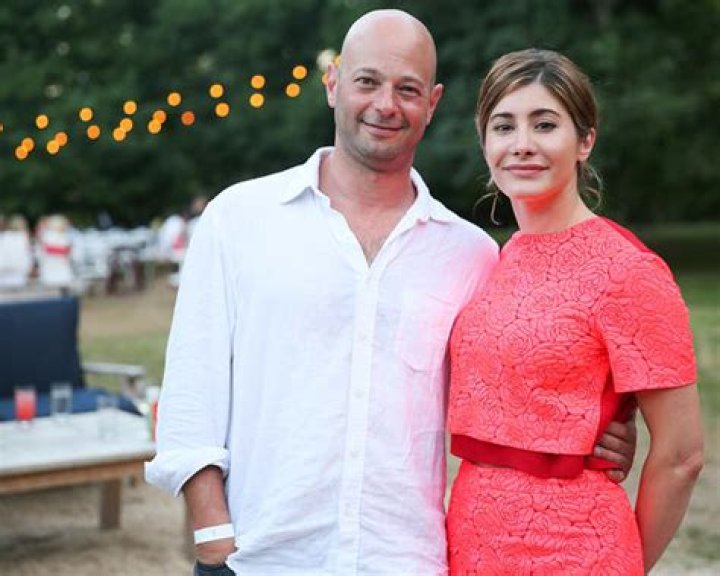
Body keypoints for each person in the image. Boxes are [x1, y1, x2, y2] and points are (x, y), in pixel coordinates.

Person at [146, 12, 635, 575]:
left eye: (407, 89)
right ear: (333, 85)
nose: (385, 104)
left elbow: (517, 379)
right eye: (367, 81)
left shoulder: (471, 254)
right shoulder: (239, 219)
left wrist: (601, 428)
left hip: (405, 559)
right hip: (262, 559)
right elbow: (191, 394)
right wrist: (215, 540)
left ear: (432, 103)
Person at [446, 48, 704, 574]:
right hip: (469, 543)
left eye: (544, 125)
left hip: (576, 551)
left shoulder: (628, 270)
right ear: (485, 143)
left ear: (585, 140)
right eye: (504, 126)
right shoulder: (493, 261)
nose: (522, 144)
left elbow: (682, 456)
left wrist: (622, 564)